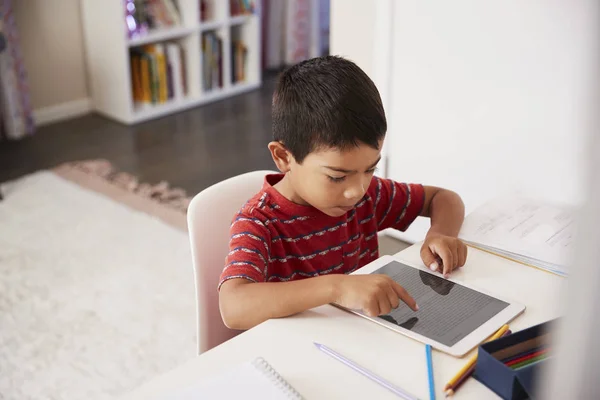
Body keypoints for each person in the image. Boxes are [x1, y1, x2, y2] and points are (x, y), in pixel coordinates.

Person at [218, 56, 467, 330]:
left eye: (370, 169)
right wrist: (337, 288)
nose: (356, 191)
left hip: (363, 337)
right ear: (283, 157)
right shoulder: (257, 223)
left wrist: (440, 234)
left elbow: (443, 198)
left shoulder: (369, 195)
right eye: (337, 176)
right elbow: (233, 306)